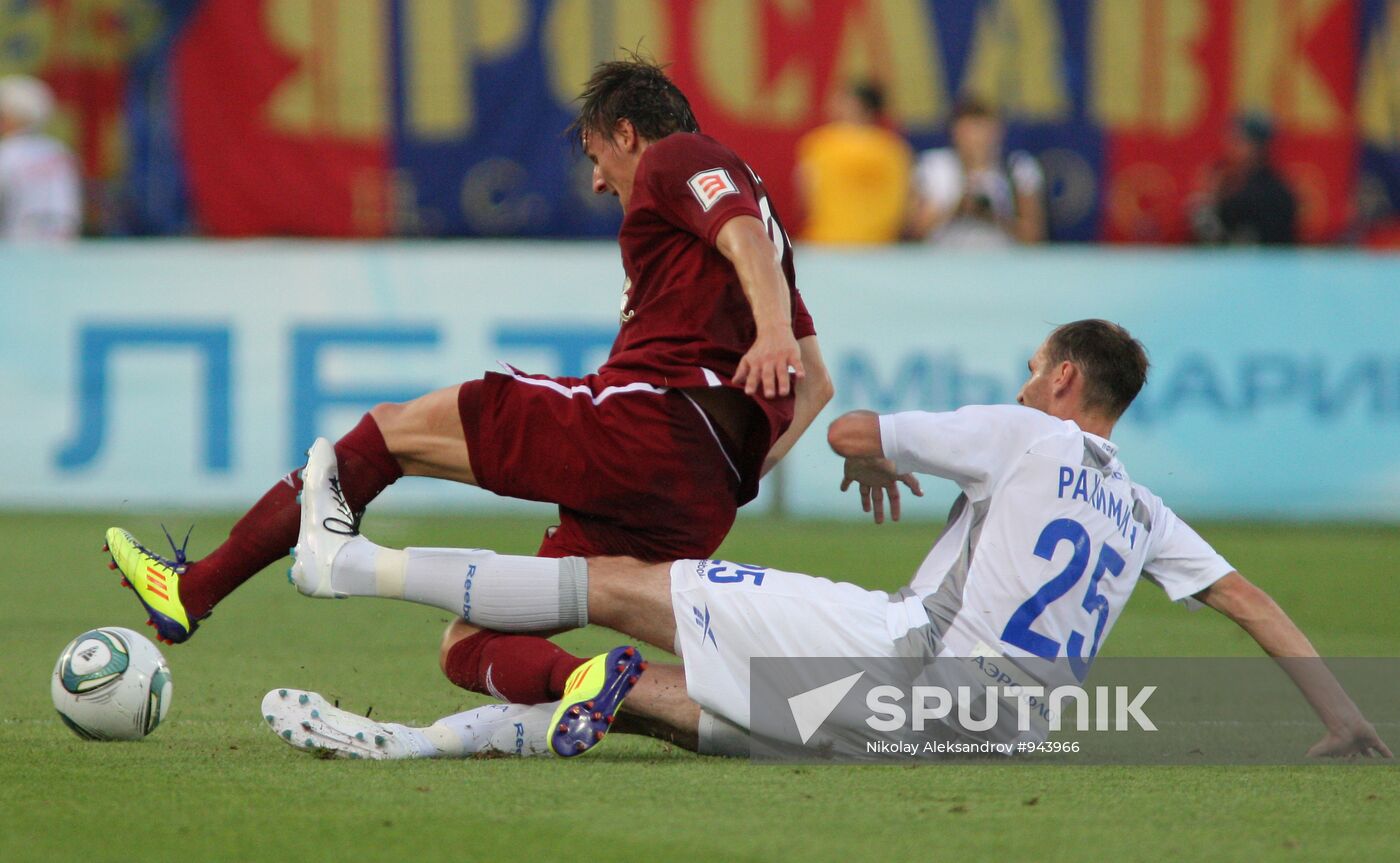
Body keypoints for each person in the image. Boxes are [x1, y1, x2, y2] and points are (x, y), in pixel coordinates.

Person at [262, 320, 1390, 761]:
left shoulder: (1020, 431)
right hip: (985, 744)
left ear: (1058, 379)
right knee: (667, 703)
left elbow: (848, 422)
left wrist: (863, 453)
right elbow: (1249, 602)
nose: (1018, 382)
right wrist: (1343, 716)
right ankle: (405, 745)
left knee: (621, 581)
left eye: (1027, 369)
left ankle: (348, 561)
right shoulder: (1142, 507)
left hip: (908, 655)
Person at [105, 57, 834, 713]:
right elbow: (816, 385)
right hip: (693, 496)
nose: (597, 179)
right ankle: (595, 683)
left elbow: (737, 233)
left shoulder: (681, 157)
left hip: (644, 427)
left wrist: (766, 336)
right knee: (470, 644)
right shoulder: (771, 247)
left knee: (390, 431)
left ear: (627, 132)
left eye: (596, 156)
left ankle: (195, 589)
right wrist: (724, 473)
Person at [908, 98, 1044, 247]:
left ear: (997, 131)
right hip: (945, 261)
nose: (976, 139)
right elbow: (916, 232)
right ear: (955, 132)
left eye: (982, 130)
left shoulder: (1016, 168)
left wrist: (994, 218)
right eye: (968, 131)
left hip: (1003, 262)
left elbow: (1033, 237)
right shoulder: (935, 166)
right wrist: (959, 207)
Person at [794, 81, 911, 245]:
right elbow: (903, 202)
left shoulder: (821, 144)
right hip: (879, 245)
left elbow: (805, 192)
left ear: (858, 105)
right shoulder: (893, 148)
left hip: (827, 242)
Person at [1191, 113, 1298, 245]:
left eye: (1238, 141)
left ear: (1258, 148)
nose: (1230, 147)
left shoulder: (1273, 194)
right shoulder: (1227, 182)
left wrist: (1213, 208)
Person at [0, 74, 80, 242]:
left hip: (16, 252)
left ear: (11, 117)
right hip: (64, 246)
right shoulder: (59, 151)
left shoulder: (7, 154)